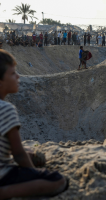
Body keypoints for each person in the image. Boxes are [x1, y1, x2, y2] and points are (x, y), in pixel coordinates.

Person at [0, 50, 68, 199]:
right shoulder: (6, 109)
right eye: (13, 73)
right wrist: (33, 174)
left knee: (30, 152)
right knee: (59, 180)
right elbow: (18, 154)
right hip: (2, 175)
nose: (18, 76)